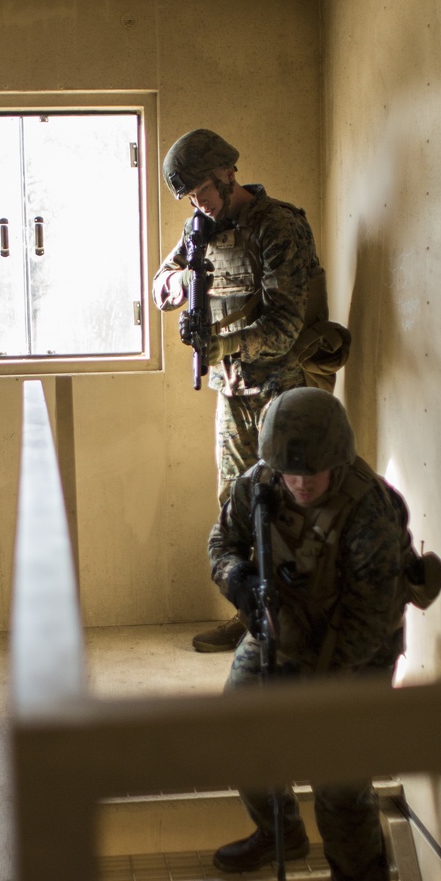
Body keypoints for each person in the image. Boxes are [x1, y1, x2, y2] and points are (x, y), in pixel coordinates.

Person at [208, 387, 441, 881]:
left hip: (352, 658)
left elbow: (370, 620)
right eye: (291, 472)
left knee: (339, 783)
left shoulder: (371, 514)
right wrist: (237, 579)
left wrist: (311, 691)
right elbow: (222, 542)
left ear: (337, 459)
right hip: (279, 633)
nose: (301, 483)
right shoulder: (259, 484)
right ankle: (279, 833)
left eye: (313, 473)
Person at [153, 128, 326, 653]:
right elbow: (163, 280)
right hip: (233, 392)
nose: (197, 205)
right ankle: (251, 615)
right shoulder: (199, 228)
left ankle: (298, 621)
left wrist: (220, 350)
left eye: (201, 192)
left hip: (282, 389)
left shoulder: (279, 228)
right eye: (188, 198)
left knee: (290, 508)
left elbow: (284, 327)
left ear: (228, 174)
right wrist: (177, 285)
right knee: (235, 504)